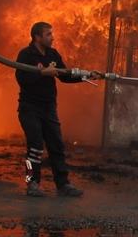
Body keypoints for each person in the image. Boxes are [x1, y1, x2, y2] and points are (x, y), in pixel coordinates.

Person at [15, 21, 101, 197]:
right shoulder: (26, 54)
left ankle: (63, 184)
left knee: (56, 145)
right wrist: (41, 73)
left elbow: (65, 75)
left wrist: (86, 75)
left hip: (48, 108)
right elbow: (22, 79)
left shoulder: (52, 54)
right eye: (48, 34)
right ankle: (32, 184)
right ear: (37, 37)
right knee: (35, 146)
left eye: (51, 34)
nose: (52, 37)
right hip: (29, 108)